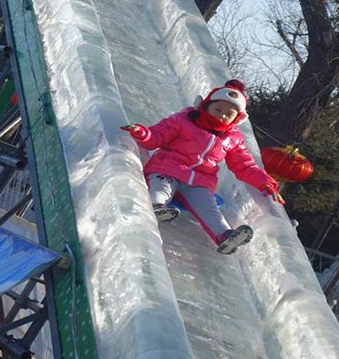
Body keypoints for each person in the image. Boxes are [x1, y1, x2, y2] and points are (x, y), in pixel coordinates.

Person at [121, 80, 283, 254]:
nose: (221, 116)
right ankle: (157, 206)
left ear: (236, 119)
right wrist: (143, 133)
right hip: (167, 168)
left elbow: (244, 165)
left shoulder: (233, 138)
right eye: (218, 109)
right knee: (161, 187)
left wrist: (265, 183)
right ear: (206, 105)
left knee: (208, 207)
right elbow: (158, 136)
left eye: (228, 114)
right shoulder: (183, 120)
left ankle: (225, 236)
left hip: (199, 181)